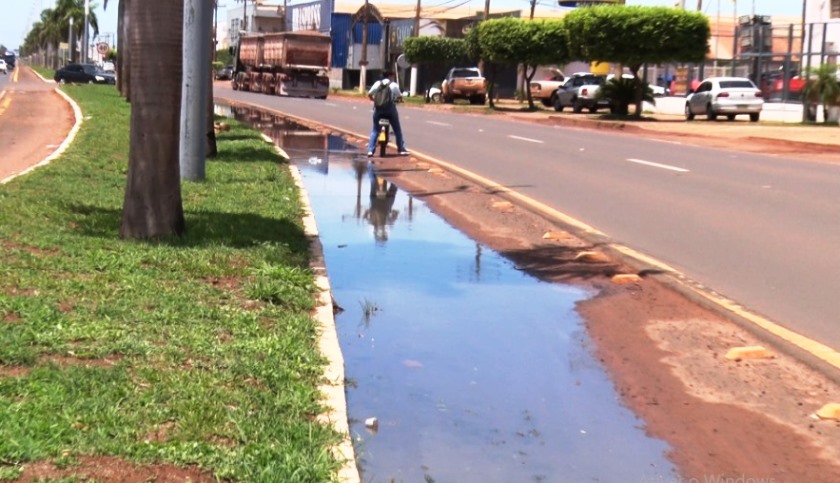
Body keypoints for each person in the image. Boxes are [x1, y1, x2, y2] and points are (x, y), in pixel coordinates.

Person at [367, 70, 409, 157]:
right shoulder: (393, 85)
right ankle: (401, 149)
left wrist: (374, 100)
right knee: (397, 130)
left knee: (375, 130)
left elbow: (369, 94)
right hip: (390, 110)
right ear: (390, 76)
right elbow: (399, 96)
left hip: (378, 110)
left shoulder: (377, 84)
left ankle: (370, 150)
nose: (393, 78)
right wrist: (400, 100)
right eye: (393, 76)